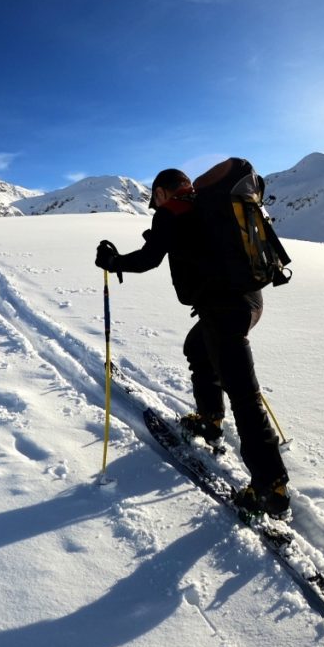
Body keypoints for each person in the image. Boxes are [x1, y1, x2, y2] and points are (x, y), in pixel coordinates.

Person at [94, 160, 290, 518]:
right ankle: (210, 417)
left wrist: (113, 262)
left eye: (156, 199)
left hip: (224, 311)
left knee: (245, 397)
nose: (157, 205)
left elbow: (150, 259)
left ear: (161, 192)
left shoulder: (174, 210)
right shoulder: (205, 207)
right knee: (197, 348)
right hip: (249, 302)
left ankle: (270, 487)